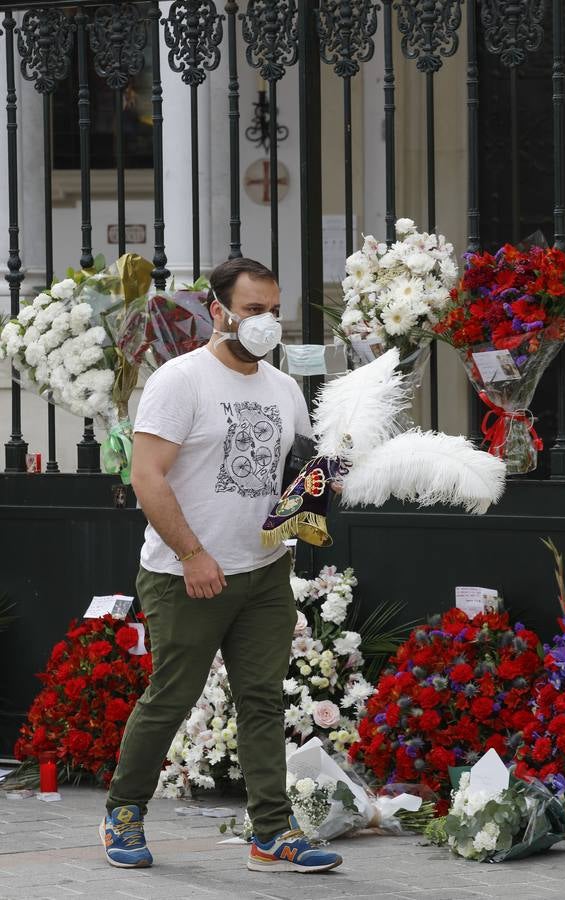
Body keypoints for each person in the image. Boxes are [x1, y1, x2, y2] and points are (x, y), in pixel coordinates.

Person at [99, 257, 342, 874]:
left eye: (273, 310)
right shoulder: (181, 381)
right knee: (171, 697)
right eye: (253, 310)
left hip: (262, 575)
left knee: (261, 700)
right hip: (185, 572)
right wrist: (192, 554)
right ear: (219, 311)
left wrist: (323, 483)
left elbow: (291, 478)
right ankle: (123, 814)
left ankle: (271, 831)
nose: (266, 322)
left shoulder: (285, 388)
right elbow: (146, 475)